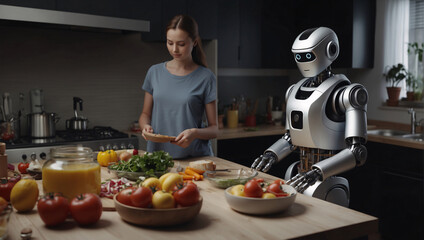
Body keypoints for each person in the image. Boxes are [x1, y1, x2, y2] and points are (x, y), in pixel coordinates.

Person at [139, 14, 218, 159]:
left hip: (195, 160)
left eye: (181, 44)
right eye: (170, 43)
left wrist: (194, 133)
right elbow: (145, 115)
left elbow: (214, 129)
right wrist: (145, 127)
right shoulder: (154, 72)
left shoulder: (206, 77)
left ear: (194, 42)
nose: (174, 49)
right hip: (158, 159)